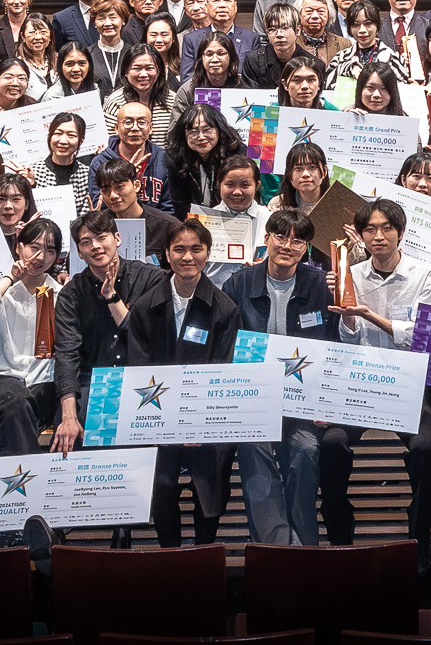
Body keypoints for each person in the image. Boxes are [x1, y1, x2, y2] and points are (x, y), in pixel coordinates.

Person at [119, 215, 248, 547]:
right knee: (162, 487)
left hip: (207, 419)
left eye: (196, 249)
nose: (187, 257)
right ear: (166, 254)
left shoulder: (225, 309)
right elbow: (140, 369)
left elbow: (223, 373)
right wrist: (173, 423)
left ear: (208, 253)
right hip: (158, 416)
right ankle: (171, 558)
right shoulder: (146, 306)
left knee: (210, 483)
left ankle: (205, 554)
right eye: (179, 249)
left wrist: (195, 423)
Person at [335, 198, 431, 558]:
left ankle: (419, 538)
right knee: (331, 442)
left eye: (387, 228)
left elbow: (425, 337)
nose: (379, 236)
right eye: (370, 229)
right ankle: (340, 538)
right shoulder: (350, 274)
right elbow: (347, 339)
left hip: (408, 384)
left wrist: (370, 315)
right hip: (361, 382)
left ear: (401, 232)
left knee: (426, 449)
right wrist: (349, 318)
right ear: (361, 235)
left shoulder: (426, 274)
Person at [216, 209, 329, 547]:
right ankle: (276, 545)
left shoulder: (320, 285)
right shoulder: (238, 284)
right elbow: (226, 346)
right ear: (266, 239)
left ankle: (304, 545)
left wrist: (326, 401)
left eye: (298, 240)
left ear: (306, 248)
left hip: (303, 401)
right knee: (252, 447)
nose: (287, 245)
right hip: (254, 399)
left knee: (306, 450)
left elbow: (332, 347)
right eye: (280, 236)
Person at [0, 216, 67, 549]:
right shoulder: (4, 290)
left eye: (50, 250)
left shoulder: (58, 293)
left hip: (45, 382)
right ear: (19, 247)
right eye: (34, 247)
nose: (40, 256)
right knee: (14, 404)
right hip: (5, 378)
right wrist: (11, 277)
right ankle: (39, 515)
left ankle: (6, 528)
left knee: (12, 419)